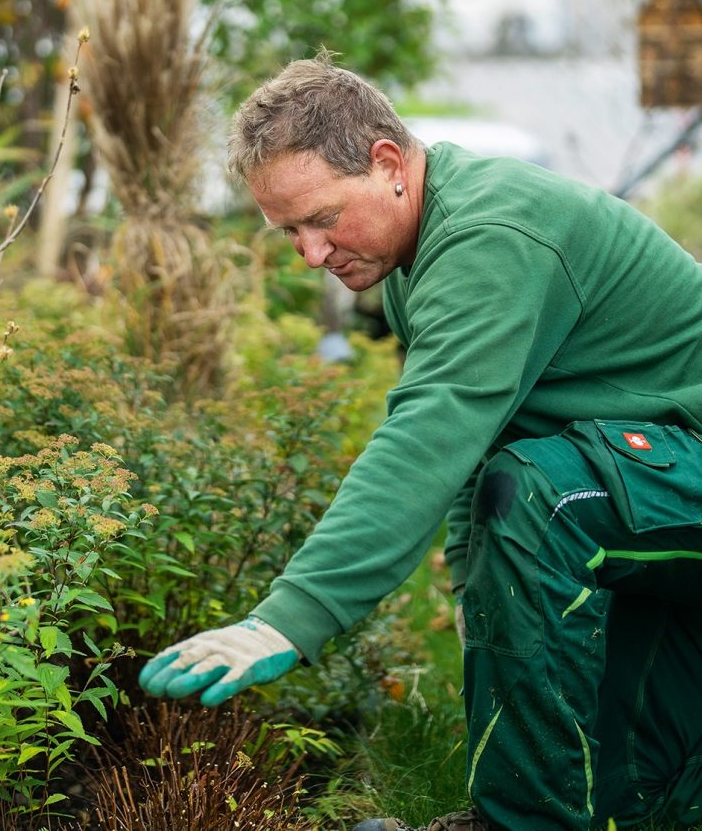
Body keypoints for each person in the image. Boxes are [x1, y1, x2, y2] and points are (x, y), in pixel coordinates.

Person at [138, 52, 702, 831]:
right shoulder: (412, 252)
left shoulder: (489, 237)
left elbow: (429, 435)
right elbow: (486, 434)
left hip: (676, 467)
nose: (310, 254)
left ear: (389, 164)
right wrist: (482, 592)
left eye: (323, 218)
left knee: (546, 496)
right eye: (290, 233)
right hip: (653, 483)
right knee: (648, 792)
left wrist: (287, 618)